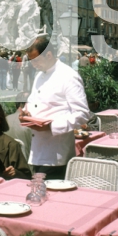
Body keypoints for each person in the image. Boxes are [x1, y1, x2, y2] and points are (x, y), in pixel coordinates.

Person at [19, 35, 89, 179]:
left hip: (56, 153)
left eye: (35, 60)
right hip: (37, 150)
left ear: (49, 55)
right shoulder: (39, 76)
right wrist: (26, 113)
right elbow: (33, 101)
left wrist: (51, 126)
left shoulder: (68, 76)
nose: (33, 64)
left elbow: (82, 114)